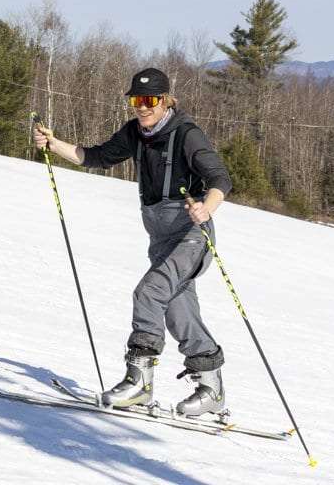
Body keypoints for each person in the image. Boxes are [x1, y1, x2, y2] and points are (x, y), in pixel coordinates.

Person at [32, 67, 232, 417]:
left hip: (190, 235)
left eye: (150, 100)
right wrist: (53, 144)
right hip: (161, 237)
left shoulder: (186, 134)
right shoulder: (135, 133)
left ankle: (140, 379)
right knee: (176, 307)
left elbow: (220, 178)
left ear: (166, 100)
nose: (143, 107)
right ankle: (211, 385)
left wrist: (207, 207)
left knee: (149, 292)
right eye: (137, 100)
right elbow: (94, 156)